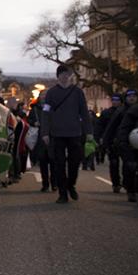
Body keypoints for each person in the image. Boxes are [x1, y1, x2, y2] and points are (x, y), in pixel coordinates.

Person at [40, 64, 93, 204]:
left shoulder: (78, 92)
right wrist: (45, 132)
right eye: (62, 74)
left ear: (70, 76)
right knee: (59, 164)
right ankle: (62, 193)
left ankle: (71, 184)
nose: (65, 76)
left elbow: (84, 113)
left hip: (75, 132)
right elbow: (45, 113)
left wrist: (89, 132)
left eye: (67, 74)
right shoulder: (51, 93)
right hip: (56, 133)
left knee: (74, 162)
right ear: (58, 76)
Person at [28, 91, 56, 192]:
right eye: (42, 95)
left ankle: (54, 183)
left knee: (54, 162)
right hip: (40, 138)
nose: (44, 97)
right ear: (39, 97)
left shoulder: (54, 107)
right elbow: (29, 120)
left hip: (52, 137)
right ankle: (45, 184)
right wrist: (34, 122)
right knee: (43, 162)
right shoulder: (35, 108)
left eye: (46, 95)